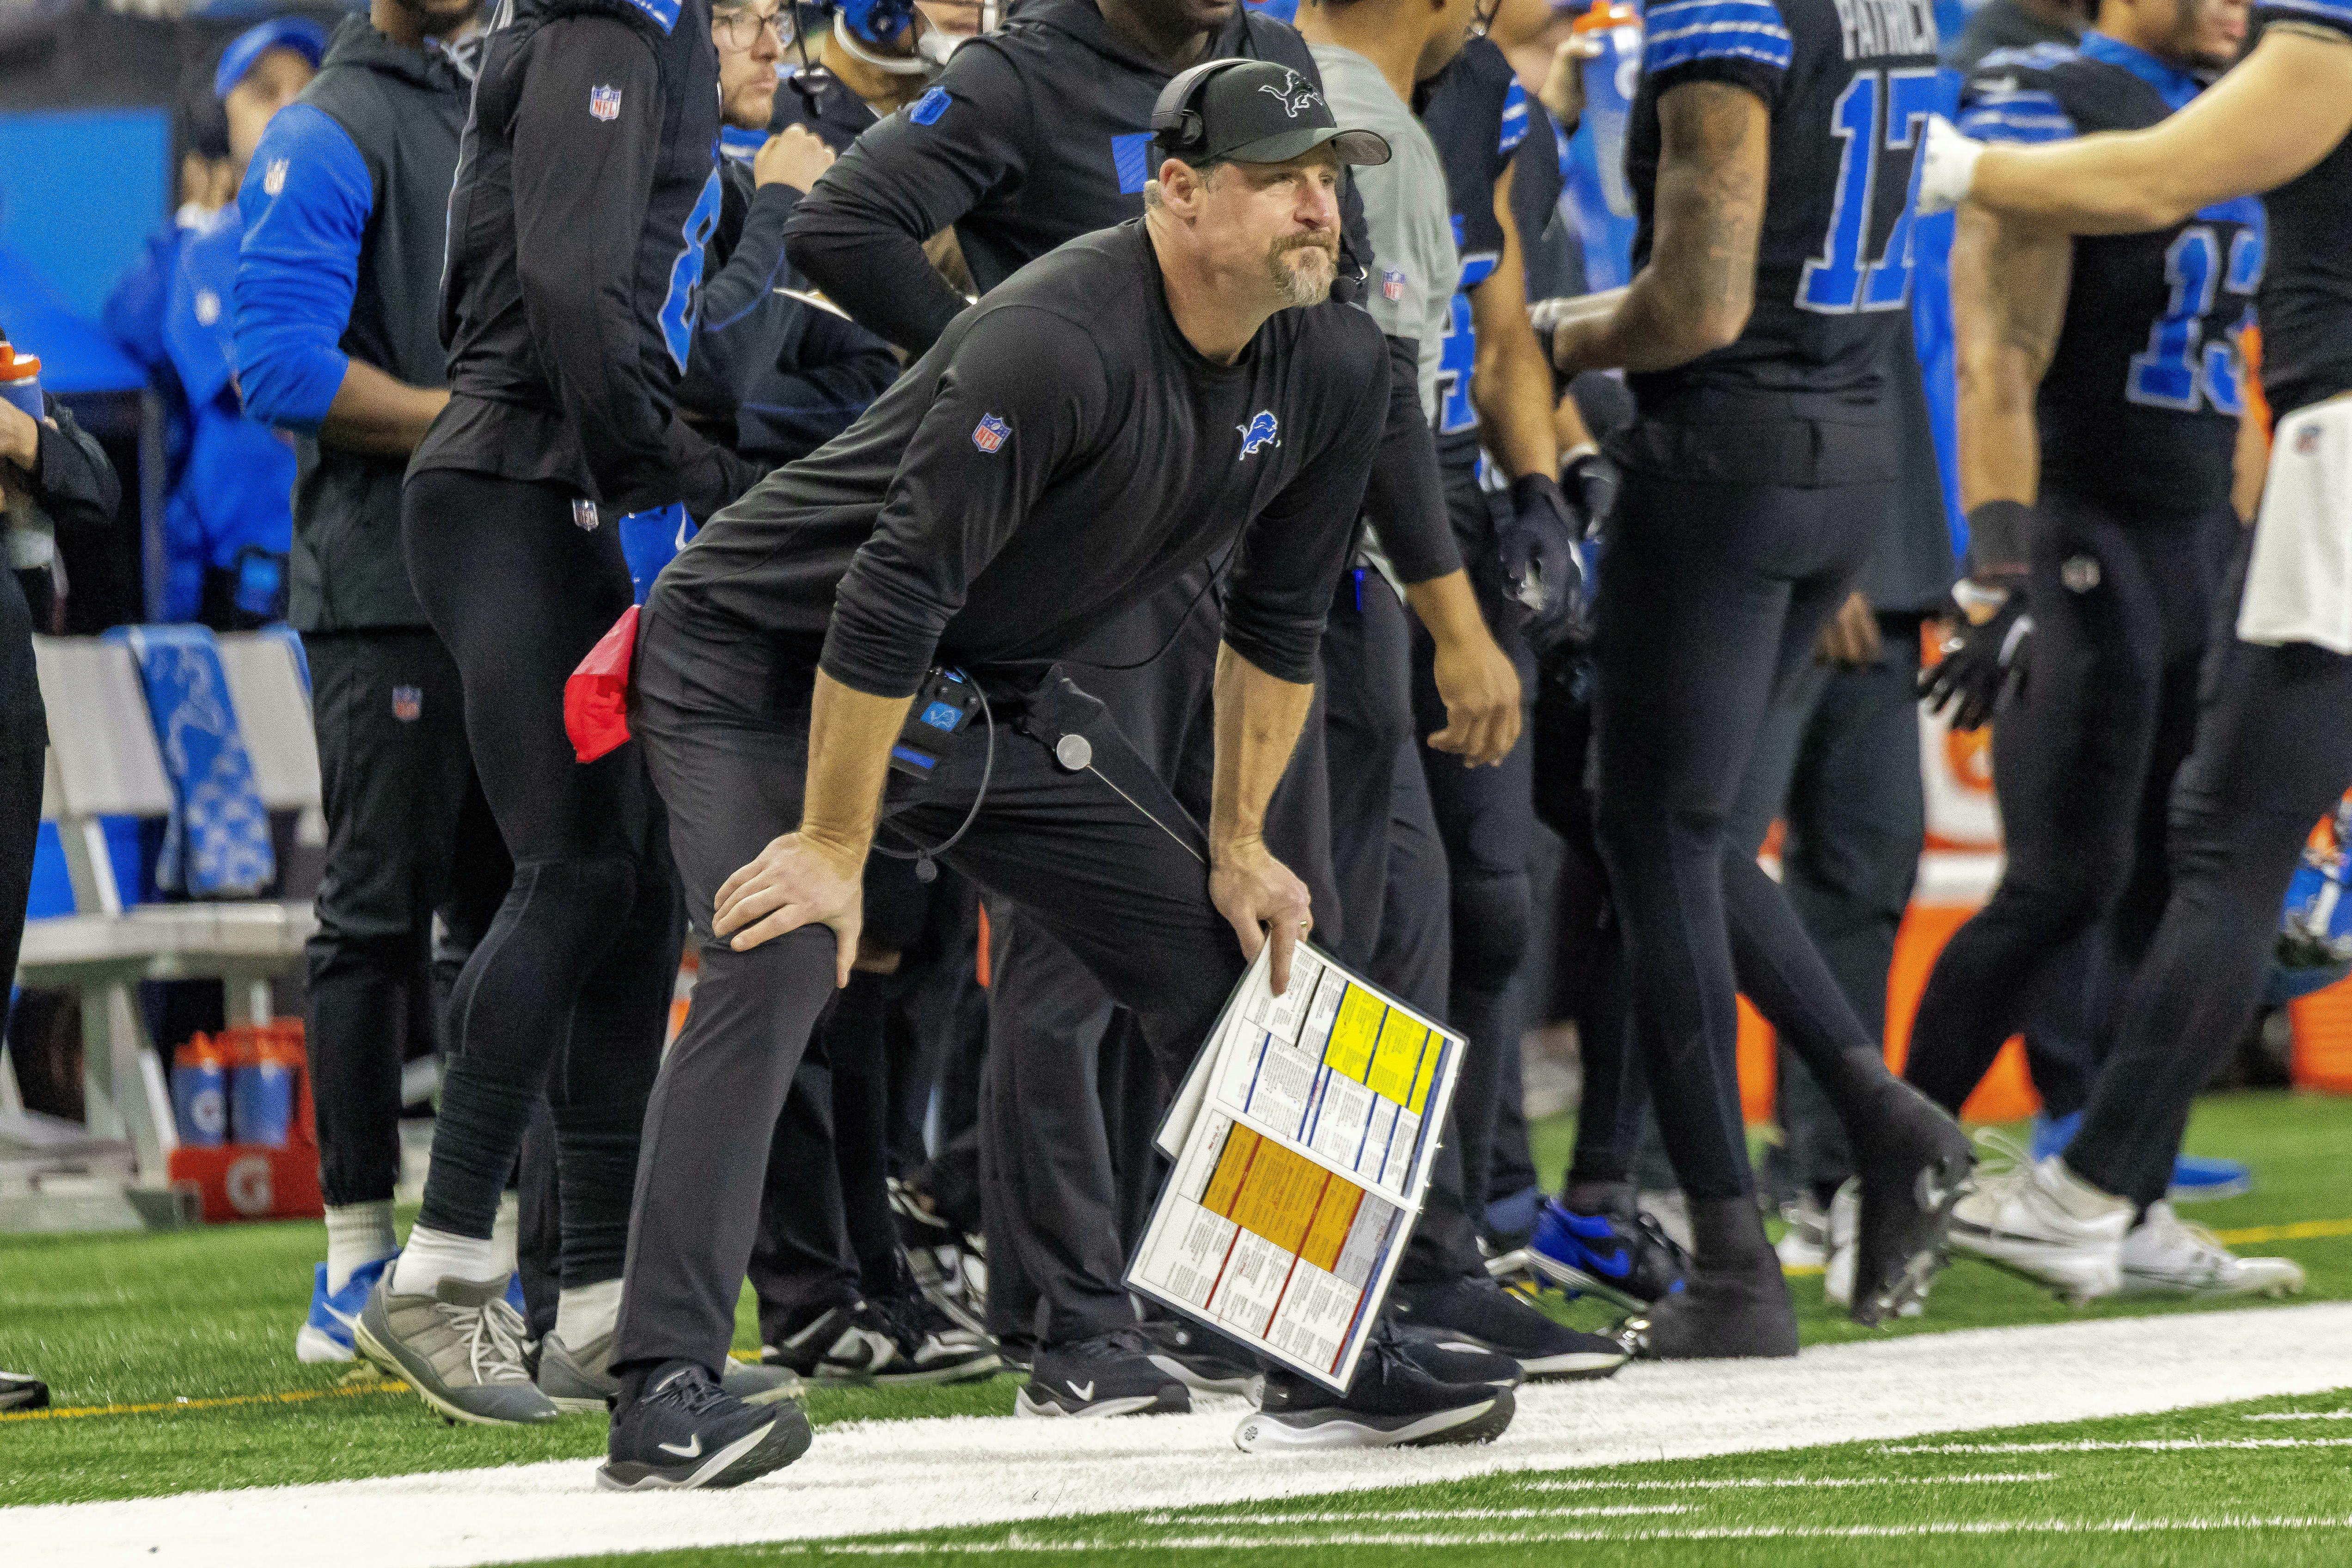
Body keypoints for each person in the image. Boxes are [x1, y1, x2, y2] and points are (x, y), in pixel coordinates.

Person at [603, 62, 1523, 1488]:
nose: (1318, 205)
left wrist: (1234, 841)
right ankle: (660, 1392)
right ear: (1176, 193)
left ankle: (1322, 1352)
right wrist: (837, 850)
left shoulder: (1335, 366)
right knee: (780, 940)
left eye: (1329, 178)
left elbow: (1279, 632)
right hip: (757, 666)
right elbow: (883, 608)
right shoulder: (1051, 340)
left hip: (966, 696)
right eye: (1284, 175)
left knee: (1231, 957)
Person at [1534, 0, 1975, 1354]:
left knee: (1654, 832)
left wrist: (1544, 336)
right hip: (1848, 448)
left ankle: (1735, 1258)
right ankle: (1886, 1120)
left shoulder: (1728, 16)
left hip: (1732, 445)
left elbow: (1701, 299)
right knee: (1680, 827)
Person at [355, 0, 767, 1427]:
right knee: (576, 867)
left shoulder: (645, 29)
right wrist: (667, 471)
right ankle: (441, 1268)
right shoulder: (606, 24)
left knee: (638, 888)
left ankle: (596, 1305)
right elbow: (579, 289)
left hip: (561, 474)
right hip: (530, 479)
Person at [1915, 0, 2352, 1301]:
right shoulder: (2065, 80)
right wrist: (1996, 560)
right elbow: (1999, 353)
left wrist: (1963, 166)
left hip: (2302, 463)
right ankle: (2066, 1178)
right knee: (2148, 858)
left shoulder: (2302, 47)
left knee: (2224, 841)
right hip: (2128, 508)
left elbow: (2167, 175)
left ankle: (2096, 1186)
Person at [1294, 0, 1625, 1384]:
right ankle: (1228, 1277)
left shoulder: (1475, 84)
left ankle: (1429, 1253)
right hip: (1303, 522)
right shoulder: (1276, 77)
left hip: (1435, 516)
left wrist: (1544, 479)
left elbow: (1495, 328)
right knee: (1316, 916)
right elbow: (1343, 381)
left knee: (1467, 903)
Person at [677, 0, 995, 1388]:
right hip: (735, 605)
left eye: (768, 19)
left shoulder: (848, 154)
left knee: (885, 952)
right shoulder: (704, 181)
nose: (764, 45)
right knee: (773, 943)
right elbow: (712, 378)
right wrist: (781, 219)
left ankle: (868, 1262)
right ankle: (791, 1289)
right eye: (734, 21)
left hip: (866, 595)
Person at [231, 0, 516, 1369]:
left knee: (512, 911)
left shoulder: (503, 91)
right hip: (387, 584)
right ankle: (353, 1257)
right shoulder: (329, 124)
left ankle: (475, 1246)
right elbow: (274, 363)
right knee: (376, 915)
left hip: (506, 578)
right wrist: (476, 428)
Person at [107, 18, 325, 629]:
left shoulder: (360, 231)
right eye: (263, 92)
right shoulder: (214, 249)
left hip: (347, 562)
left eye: (303, 90)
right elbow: (273, 392)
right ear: (216, 121)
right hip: (247, 574)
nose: (288, 109)